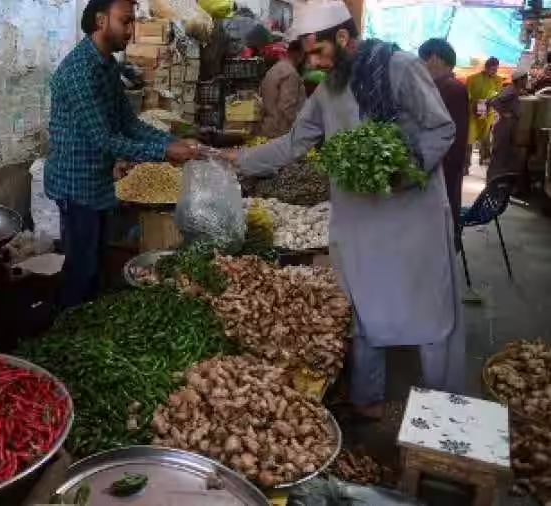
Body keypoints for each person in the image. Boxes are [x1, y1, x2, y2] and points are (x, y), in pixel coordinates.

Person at [221, 0, 465, 420]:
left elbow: (441, 128)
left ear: (343, 37)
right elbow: (295, 142)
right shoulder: (329, 87)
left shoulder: (400, 67)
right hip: (359, 218)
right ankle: (366, 398)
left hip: (410, 212)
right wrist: (234, 161)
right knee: (362, 307)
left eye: (317, 52)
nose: (312, 63)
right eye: (308, 54)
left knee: (428, 310)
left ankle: (444, 408)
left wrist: (401, 172)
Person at [46, 0, 199, 308]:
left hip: (98, 184)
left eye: (132, 22)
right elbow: (106, 139)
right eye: (125, 21)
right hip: (76, 187)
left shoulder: (106, 65)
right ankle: (67, 335)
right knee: (82, 270)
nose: (131, 30)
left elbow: (127, 123)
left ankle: (90, 319)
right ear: (101, 21)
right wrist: (163, 150)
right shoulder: (80, 71)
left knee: (97, 265)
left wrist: (169, 141)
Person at [419, 38, 468, 252]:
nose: (421, 66)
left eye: (423, 60)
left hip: (443, 169)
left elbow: (455, 140)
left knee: (440, 231)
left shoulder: (452, 88)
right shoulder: (438, 87)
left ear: (436, 59)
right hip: (437, 167)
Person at [258, 40, 307, 138]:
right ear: (298, 54)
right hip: (280, 132)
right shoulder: (290, 73)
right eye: (303, 54)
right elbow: (287, 107)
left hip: (268, 128)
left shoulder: (273, 69)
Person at [487, 69, 530, 181]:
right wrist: (504, 113)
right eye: (525, 78)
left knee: (506, 154)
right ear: (519, 79)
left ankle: (499, 181)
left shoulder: (514, 90)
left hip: (510, 126)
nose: (527, 81)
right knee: (500, 155)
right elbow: (494, 101)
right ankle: (492, 181)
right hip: (505, 126)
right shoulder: (511, 89)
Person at [467, 57, 503, 168]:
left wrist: (491, 103)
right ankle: (466, 163)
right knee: (470, 137)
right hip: (474, 111)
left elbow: (498, 95)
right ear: (486, 67)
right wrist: (475, 102)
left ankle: (485, 158)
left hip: (488, 112)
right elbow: (467, 95)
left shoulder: (498, 80)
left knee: (486, 136)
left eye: (496, 69)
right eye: (493, 69)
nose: (495, 72)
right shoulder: (472, 78)